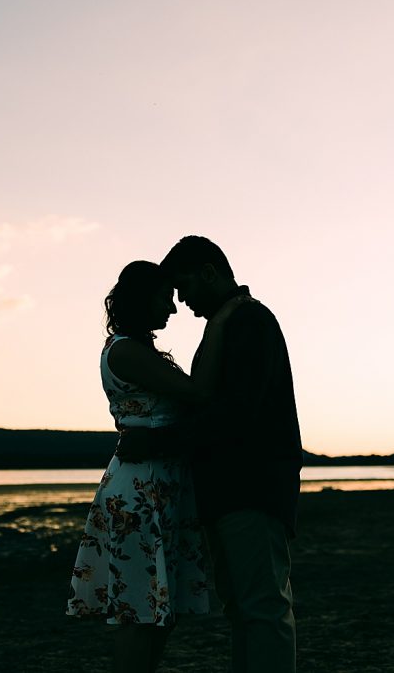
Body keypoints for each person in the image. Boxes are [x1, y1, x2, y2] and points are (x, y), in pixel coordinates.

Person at [117, 236, 303, 673]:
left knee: (260, 607)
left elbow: (235, 412)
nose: (181, 303)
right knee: (244, 608)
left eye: (183, 288)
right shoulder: (229, 322)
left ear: (208, 272)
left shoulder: (249, 321)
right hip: (229, 490)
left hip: (249, 487)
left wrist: (158, 443)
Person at [66, 260, 248, 673]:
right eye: (166, 299)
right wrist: (218, 325)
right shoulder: (126, 350)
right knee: (139, 610)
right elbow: (199, 393)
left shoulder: (140, 350)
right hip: (140, 489)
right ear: (142, 299)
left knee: (161, 609)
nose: (172, 309)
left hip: (163, 484)